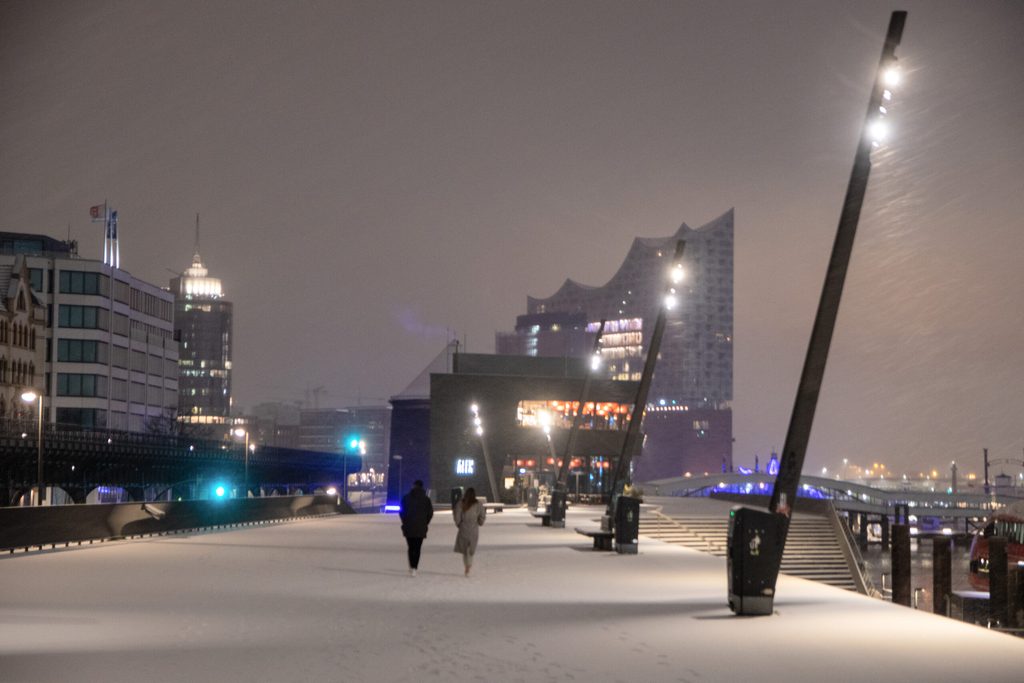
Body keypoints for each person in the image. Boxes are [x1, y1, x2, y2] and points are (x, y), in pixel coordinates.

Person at [400, 480, 433, 576]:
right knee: (418, 548)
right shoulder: (426, 499)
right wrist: (425, 522)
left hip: (409, 526)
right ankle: (415, 567)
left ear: (413, 486)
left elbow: (402, 512)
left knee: (410, 547)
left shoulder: (406, 498)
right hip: (420, 527)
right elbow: (430, 513)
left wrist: (405, 521)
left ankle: (411, 566)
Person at [452, 487, 486, 577]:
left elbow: (457, 516)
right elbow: (482, 515)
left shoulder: (461, 503)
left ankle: (466, 565)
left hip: (463, 528)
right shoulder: (478, 504)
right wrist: (480, 522)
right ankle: (469, 564)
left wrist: (459, 524)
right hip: (474, 529)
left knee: (464, 549)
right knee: (470, 549)